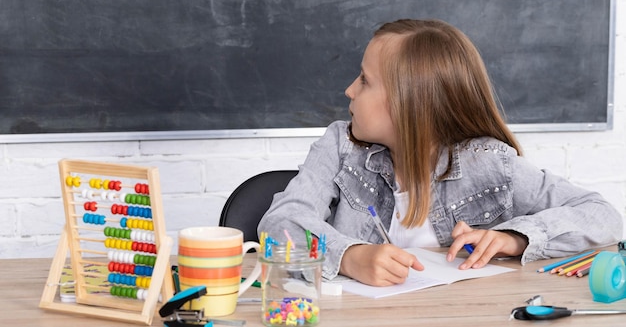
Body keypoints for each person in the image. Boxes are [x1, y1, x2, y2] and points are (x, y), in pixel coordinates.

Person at [258, 19, 623, 287]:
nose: (349, 90)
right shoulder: (339, 146)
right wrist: (349, 256)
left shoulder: (489, 163)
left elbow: (602, 215)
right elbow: (281, 222)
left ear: (408, 104)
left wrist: (517, 237)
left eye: (365, 80)